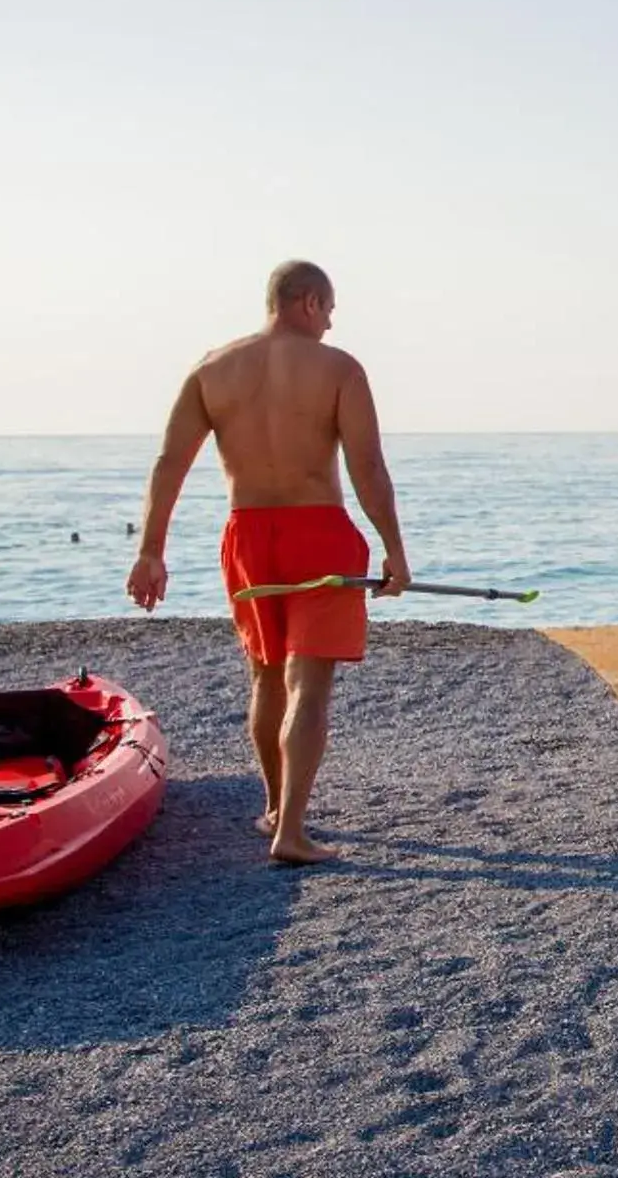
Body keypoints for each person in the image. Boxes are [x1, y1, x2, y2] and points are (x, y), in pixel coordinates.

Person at [127, 260, 411, 865]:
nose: (331, 323)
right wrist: (395, 549)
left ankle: (278, 807)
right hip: (320, 532)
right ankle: (293, 833)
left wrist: (151, 550)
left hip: (250, 535)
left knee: (265, 674)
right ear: (308, 302)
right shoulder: (339, 369)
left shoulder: (212, 368)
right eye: (329, 310)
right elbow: (368, 468)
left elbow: (168, 464)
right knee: (308, 684)